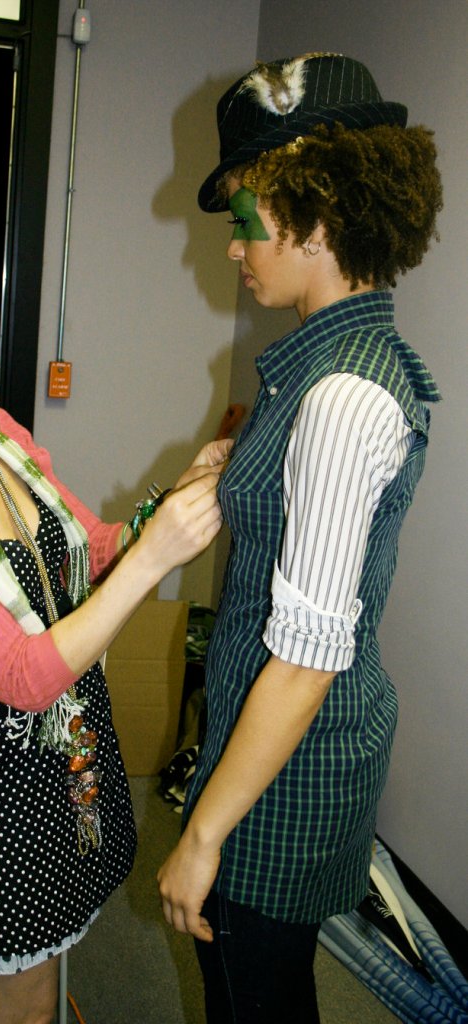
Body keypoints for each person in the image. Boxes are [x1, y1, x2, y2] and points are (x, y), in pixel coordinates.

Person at [0, 212, 231, 1024]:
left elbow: (88, 553)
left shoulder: (0, 441)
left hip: (71, 748)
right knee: (17, 1001)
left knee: (56, 959)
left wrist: (165, 504)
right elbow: (25, 676)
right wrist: (157, 558)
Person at [157, 52, 443, 1023]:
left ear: (316, 217)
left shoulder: (341, 396)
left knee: (253, 991)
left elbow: (306, 659)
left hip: (288, 759)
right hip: (283, 739)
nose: (233, 248)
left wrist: (201, 836)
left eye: (244, 221)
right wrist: (227, 466)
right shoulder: (323, 368)